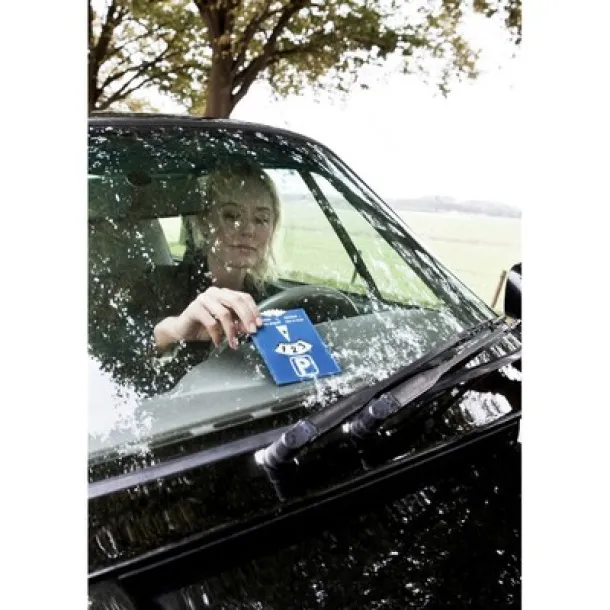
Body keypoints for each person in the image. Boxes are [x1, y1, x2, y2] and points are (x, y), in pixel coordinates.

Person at [153, 163, 282, 353]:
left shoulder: (277, 300)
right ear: (205, 222)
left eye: (261, 219)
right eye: (231, 216)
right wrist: (175, 330)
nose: (248, 230)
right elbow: (126, 345)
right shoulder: (158, 285)